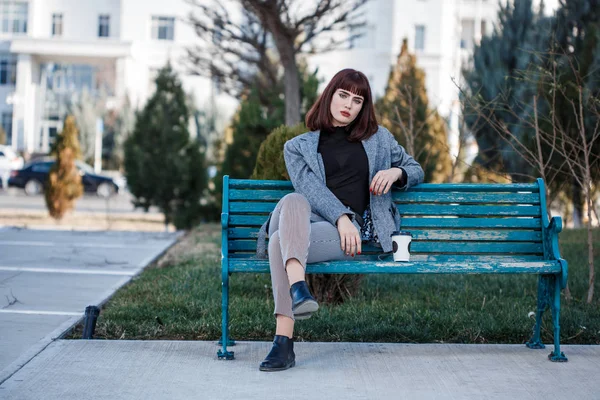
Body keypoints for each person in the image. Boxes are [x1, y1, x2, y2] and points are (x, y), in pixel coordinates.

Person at [257, 68, 424, 372]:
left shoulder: (379, 139)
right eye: (343, 95)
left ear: (363, 106)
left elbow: (416, 169)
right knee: (295, 199)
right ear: (330, 95)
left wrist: (395, 172)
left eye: (358, 100)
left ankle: (284, 340)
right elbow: (311, 189)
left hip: (344, 235)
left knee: (279, 241)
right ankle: (298, 289)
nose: (349, 104)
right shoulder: (298, 147)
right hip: (311, 219)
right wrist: (341, 217)